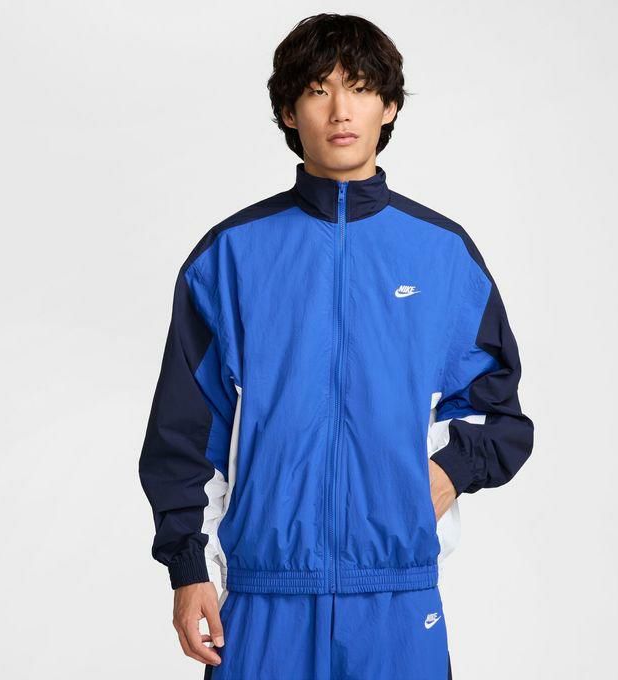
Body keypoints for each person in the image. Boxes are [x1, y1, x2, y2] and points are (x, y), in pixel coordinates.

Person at [138, 13, 534, 680]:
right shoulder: (231, 256)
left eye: (360, 88)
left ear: (389, 106)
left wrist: (448, 472)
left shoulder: (442, 256)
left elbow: (501, 417)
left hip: (396, 598)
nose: (341, 110)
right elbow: (184, 428)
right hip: (264, 598)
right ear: (289, 112)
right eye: (318, 90)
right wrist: (186, 566)